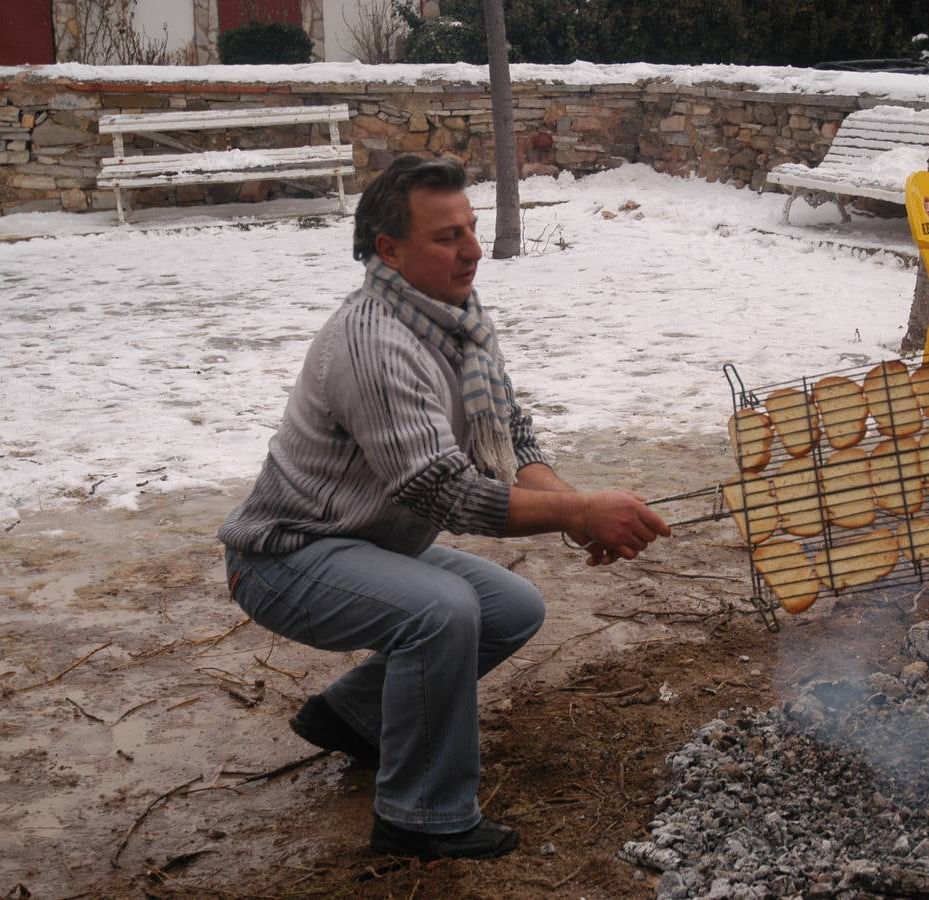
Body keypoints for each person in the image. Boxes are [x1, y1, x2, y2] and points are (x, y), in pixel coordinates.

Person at [217, 156, 671, 861]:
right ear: (387, 251)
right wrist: (580, 514)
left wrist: (576, 510)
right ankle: (419, 817)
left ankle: (355, 715)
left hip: (366, 544)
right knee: (441, 612)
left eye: (470, 229)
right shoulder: (374, 341)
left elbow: (511, 432)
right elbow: (442, 490)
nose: (471, 251)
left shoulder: (453, 319)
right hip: (283, 557)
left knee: (512, 608)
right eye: (445, 237)